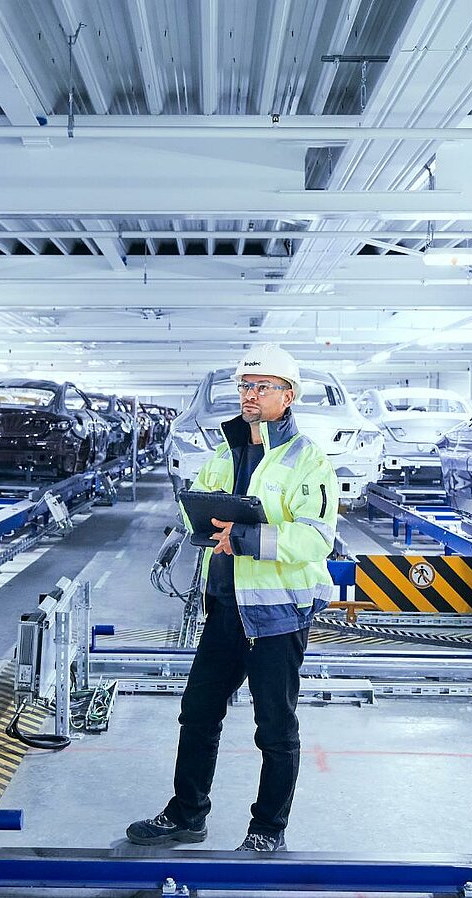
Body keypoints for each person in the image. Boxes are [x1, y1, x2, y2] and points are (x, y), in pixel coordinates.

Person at [126, 344, 339, 852]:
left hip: (276, 616)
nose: (250, 395)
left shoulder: (307, 459)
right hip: (222, 607)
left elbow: (316, 538)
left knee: (275, 728)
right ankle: (186, 815)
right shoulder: (225, 452)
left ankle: (268, 829)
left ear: (288, 396)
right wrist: (191, 526)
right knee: (198, 714)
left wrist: (243, 539)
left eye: (263, 387)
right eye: (245, 386)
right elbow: (196, 505)